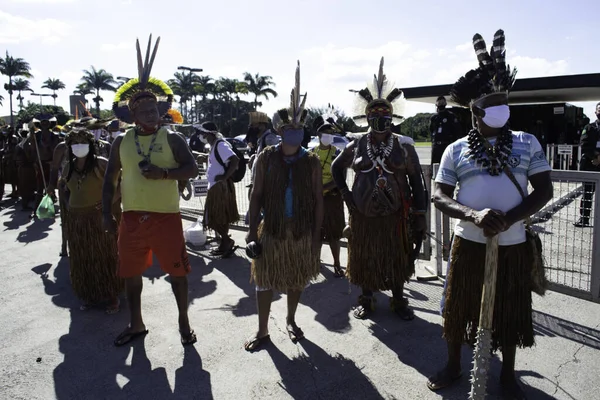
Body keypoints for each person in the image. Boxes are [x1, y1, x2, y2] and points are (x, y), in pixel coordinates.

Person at [426, 30, 553, 399]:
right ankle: (453, 365)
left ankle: (508, 375)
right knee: (457, 308)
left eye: (504, 101)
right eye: (493, 103)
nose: (501, 108)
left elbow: (543, 189)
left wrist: (510, 218)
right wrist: (473, 214)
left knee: (510, 310)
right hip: (469, 244)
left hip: (513, 245)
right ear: (475, 110)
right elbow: (438, 194)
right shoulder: (455, 149)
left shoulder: (527, 142)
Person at [102, 35, 199, 346]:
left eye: (153, 107)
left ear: (161, 109)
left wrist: (164, 174)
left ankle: (184, 321)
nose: (148, 112)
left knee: (178, 275)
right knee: (131, 275)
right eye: (142, 108)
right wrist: (106, 213)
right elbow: (109, 180)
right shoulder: (121, 141)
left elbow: (192, 169)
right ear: (131, 113)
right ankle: (136, 323)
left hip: (166, 218)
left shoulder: (173, 138)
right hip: (131, 219)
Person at [331, 57, 428, 320]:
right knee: (365, 259)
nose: (380, 120)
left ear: (392, 117)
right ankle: (366, 298)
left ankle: (398, 300)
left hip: (396, 218)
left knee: (397, 257)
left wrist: (420, 215)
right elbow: (336, 169)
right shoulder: (357, 146)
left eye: (384, 116)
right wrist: (349, 200)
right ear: (367, 117)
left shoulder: (404, 147)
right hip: (363, 218)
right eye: (374, 116)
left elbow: (418, 184)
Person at [244, 62, 323, 351]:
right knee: (263, 280)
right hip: (272, 229)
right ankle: (263, 330)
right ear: (279, 129)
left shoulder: (311, 160)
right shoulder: (265, 158)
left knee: (296, 277)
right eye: (290, 127)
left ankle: (290, 319)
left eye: (300, 127)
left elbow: (318, 200)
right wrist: (251, 231)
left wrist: (316, 236)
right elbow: (256, 196)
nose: (295, 131)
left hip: (300, 231)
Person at [62, 128, 122, 313]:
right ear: (70, 147)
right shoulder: (68, 167)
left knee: (105, 256)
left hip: (98, 218)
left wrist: (105, 206)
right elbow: (65, 190)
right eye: (75, 143)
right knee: (83, 258)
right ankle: (90, 295)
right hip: (77, 220)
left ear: (90, 144)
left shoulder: (101, 164)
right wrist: (69, 205)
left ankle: (112, 295)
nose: (79, 146)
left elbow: (119, 187)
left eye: (83, 142)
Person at [197, 121, 239, 257]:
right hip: (216, 186)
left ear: (209, 134)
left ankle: (226, 240)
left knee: (213, 217)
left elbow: (234, 160)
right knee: (220, 217)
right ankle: (224, 243)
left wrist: (225, 176)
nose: (201, 135)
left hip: (219, 187)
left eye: (202, 133)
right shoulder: (214, 146)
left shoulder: (220, 145)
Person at [311, 114, 345, 277]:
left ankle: (337, 264)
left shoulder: (338, 153)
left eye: (331, 133)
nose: (328, 136)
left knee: (334, 234)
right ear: (319, 136)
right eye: (325, 133)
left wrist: (323, 187)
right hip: (316, 200)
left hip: (332, 198)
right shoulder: (312, 153)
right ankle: (315, 262)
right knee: (316, 232)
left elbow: (341, 179)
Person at [26, 114, 62, 214]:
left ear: (49, 124)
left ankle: (50, 207)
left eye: (46, 122)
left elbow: (56, 149)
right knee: (40, 186)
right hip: (40, 163)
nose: (44, 124)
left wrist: (54, 161)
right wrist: (31, 135)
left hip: (51, 164)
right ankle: (36, 209)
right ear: (40, 124)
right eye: (42, 123)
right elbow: (33, 148)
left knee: (51, 185)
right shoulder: (37, 135)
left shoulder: (54, 136)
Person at [574, 102, 600, 227]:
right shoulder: (589, 128)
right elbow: (584, 145)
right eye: (599, 110)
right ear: (595, 112)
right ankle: (584, 219)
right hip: (590, 165)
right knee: (587, 194)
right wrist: (595, 157)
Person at [430, 96, 462, 165]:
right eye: (439, 103)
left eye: (442, 102)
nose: (441, 104)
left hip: (447, 145)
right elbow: (432, 130)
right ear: (436, 105)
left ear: (445, 104)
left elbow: (457, 131)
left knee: (447, 165)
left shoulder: (451, 116)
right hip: (436, 147)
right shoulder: (434, 118)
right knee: (435, 166)